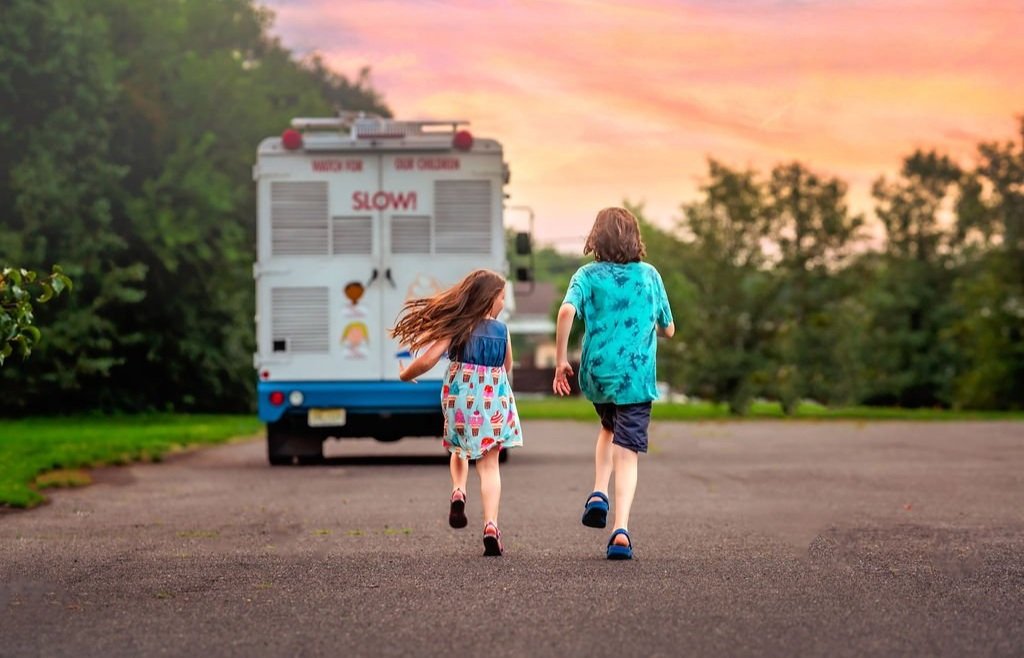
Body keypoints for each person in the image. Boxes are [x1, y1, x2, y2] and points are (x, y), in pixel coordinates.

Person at [552, 207, 674, 560]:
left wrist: (561, 361)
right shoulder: (650, 276)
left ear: (596, 238)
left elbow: (565, 312)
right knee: (628, 452)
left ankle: (597, 491)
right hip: (634, 377)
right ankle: (621, 530)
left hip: (597, 374)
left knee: (608, 427)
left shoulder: (586, 275)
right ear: (635, 238)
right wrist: (656, 327)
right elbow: (668, 327)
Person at [391, 269, 522, 557]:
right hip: (492, 402)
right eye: (501, 297)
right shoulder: (502, 331)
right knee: (489, 465)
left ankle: (459, 491)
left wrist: (405, 375)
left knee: (459, 450)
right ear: (491, 299)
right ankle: (491, 526)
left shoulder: (458, 327)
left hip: (460, 399)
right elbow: (508, 366)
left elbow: (427, 360)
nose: (503, 302)